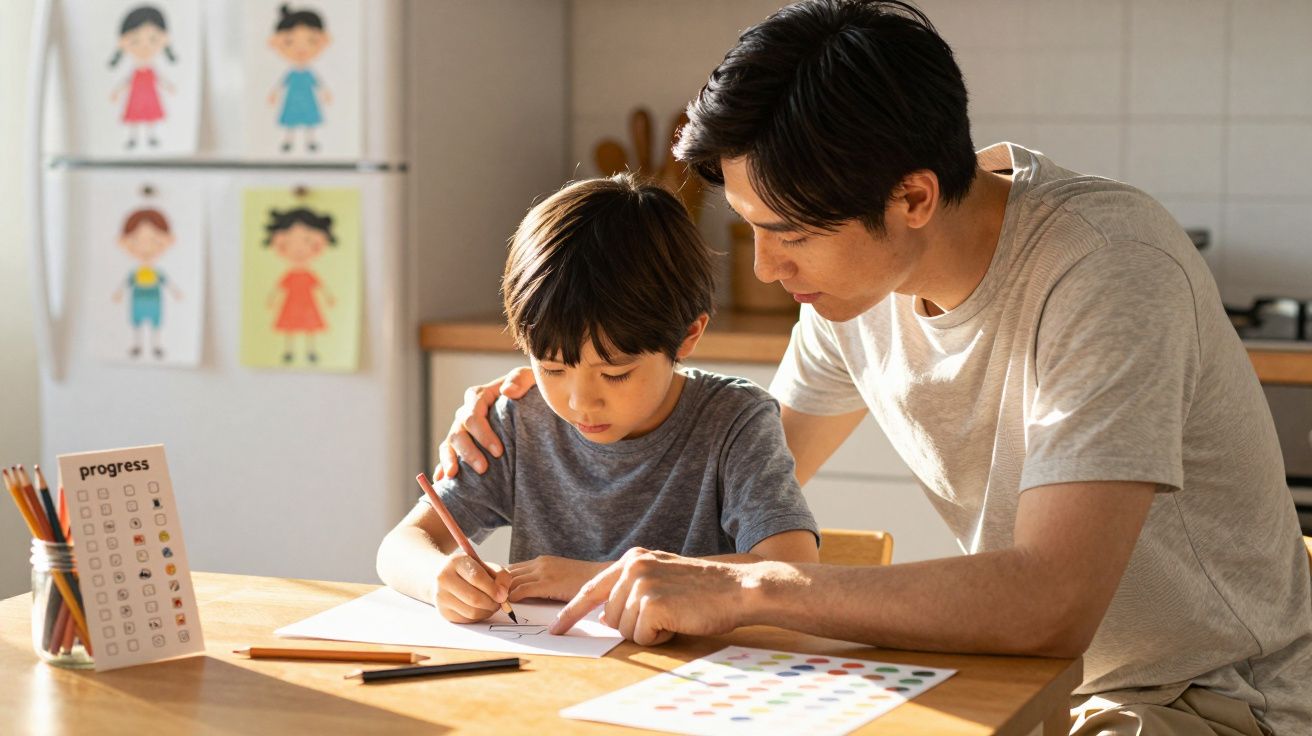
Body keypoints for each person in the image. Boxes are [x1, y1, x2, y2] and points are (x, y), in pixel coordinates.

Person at [436, 2, 1312, 733]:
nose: (766, 268)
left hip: (1212, 699)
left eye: (789, 233)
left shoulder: (1107, 269)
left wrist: (755, 586)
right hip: (1025, 681)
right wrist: (555, 409)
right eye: (752, 228)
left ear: (914, 197)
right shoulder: (853, 292)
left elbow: (1052, 601)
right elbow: (725, 483)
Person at [377, 175, 819, 625]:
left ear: (688, 335)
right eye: (552, 368)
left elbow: (793, 569)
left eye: (615, 373)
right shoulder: (518, 421)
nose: (581, 403)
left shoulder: (735, 421)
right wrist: (437, 577)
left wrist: (589, 579)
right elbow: (399, 547)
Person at [264, 207, 336, 364]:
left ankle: (310, 351)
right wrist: (271, 299)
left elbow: (320, 287)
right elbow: (278, 288)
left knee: (310, 329)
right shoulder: (289, 275)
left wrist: (329, 298)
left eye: (307, 241)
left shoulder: (309, 275)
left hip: (307, 305)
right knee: (290, 329)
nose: (298, 248)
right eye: (289, 242)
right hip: (291, 304)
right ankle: (289, 351)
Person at [112, 208, 183, 359]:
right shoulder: (135, 272)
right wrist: (119, 293)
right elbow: (127, 283)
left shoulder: (157, 272)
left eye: (155, 241)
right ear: (122, 242)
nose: (146, 248)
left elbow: (167, 282)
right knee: (137, 324)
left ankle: (156, 346)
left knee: (155, 325)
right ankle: (137, 345)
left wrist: (176, 292)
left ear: (170, 240)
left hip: (154, 301)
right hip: (138, 300)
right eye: (136, 241)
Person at [108, 5, 177, 150]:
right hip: (136, 97)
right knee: (134, 117)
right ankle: (133, 138)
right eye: (135, 41)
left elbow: (160, 80)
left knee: (151, 117)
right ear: (122, 42)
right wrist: (117, 92)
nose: (145, 47)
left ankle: (151, 137)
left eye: (153, 39)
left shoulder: (152, 71)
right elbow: (127, 82)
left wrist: (169, 86)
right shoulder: (135, 72)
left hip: (150, 96)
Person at [267, 5, 333, 153]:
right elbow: (281, 84)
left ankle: (311, 141)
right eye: (289, 42)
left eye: (311, 41)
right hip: (293, 99)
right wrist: (274, 94)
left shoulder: (309, 73)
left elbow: (318, 84)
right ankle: (288, 141)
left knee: (309, 121)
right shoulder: (291, 73)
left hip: (307, 99)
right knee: (291, 121)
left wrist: (326, 93)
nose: (301, 48)